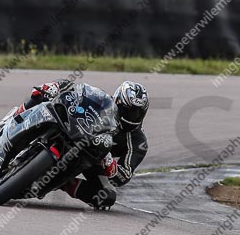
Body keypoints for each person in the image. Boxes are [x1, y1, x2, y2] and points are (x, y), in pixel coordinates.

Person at [9, 78, 149, 209]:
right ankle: (13, 119)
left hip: (94, 159)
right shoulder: (103, 100)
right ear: (117, 100)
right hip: (73, 128)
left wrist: (111, 166)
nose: (130, 116)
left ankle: (62, 182)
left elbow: (124, 176)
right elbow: (74, 87)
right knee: (40, 94)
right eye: (127, 110)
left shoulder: (138, 143)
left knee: (106, 196)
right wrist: (55, 86)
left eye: (136, 113)